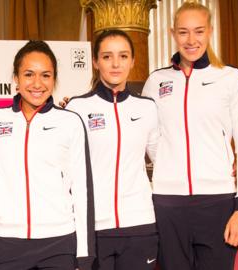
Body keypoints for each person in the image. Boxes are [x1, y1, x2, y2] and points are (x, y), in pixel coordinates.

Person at [141, 2, 238, 270]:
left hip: (217, 203)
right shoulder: (155, 82)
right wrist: (168, 164)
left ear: (210, 32)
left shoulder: (230, 78)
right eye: (183, 32)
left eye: (198, 31)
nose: (191, 40)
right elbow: (149, 137)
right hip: (167, 205)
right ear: (172, 34)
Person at [0, 40, 95, 270]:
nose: (37, 83)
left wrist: (84, 253)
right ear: (16, 78)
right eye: (28, 74)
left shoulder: (70, 122)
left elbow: (82, 191)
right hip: (8, 241)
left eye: (45, 75)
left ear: (54, 79)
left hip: (59, 242)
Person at [65, 30, 159, 270]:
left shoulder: (147, 108)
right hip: (94, 228)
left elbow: (164, 161)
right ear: (95, 62)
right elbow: (65, 169)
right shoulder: (77, 107)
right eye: (107, 57)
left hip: (140, 225)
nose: (116, 64)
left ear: (132, 61)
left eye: (123, 56)